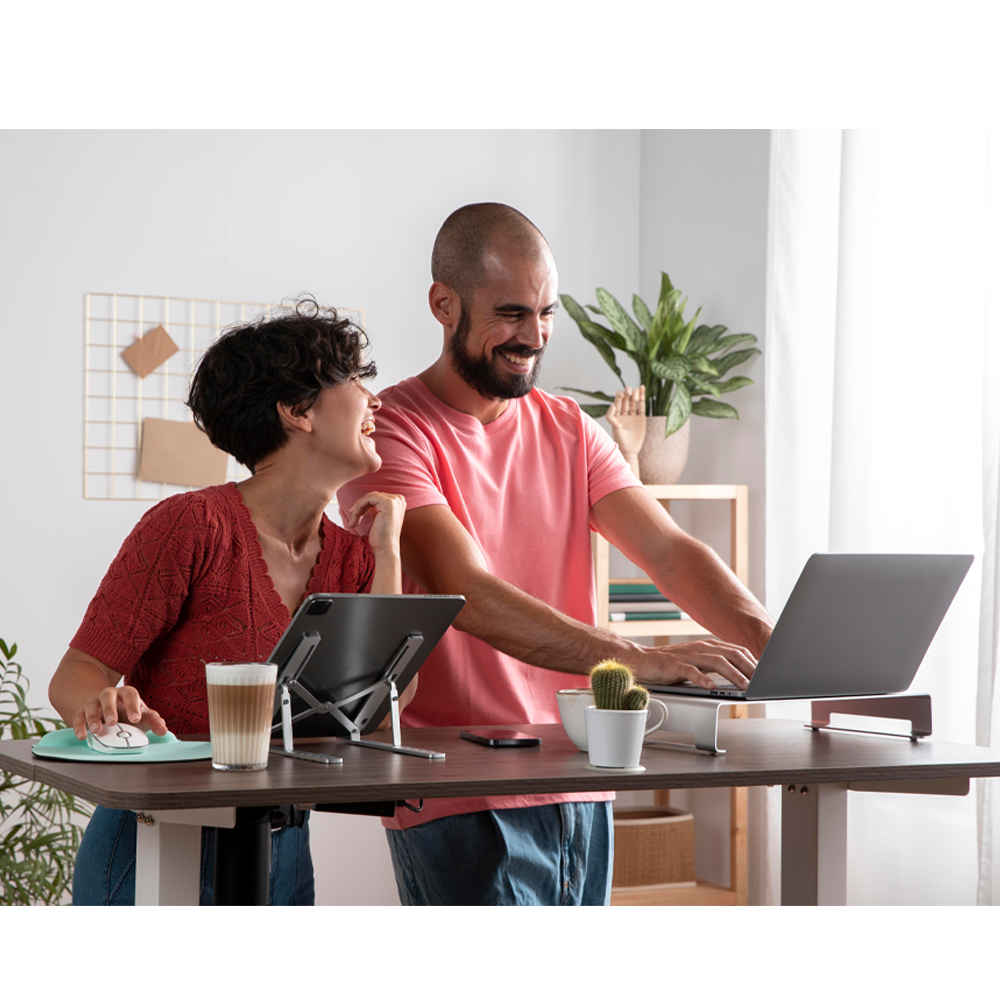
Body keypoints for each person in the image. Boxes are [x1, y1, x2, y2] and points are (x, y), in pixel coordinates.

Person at [337, 203, 775, 907]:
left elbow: (667, 549)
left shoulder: (570, 425)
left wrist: (773, 646)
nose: (535, 336)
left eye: (546, 313)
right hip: (458, 790)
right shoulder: (389, 432)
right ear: (444, 305)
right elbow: (464, 590)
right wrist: (635, 658)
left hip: (580, 776)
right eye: (512, 313)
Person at [49, 298, 406, 905]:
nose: (376, 400)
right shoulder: (192, 525)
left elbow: (381, 708)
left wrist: (389, 552)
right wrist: (107, 708)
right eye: (355, 380)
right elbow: (77, 673)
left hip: (285, 846)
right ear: (298, 411)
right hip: (157, 843)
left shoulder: (357, 558)